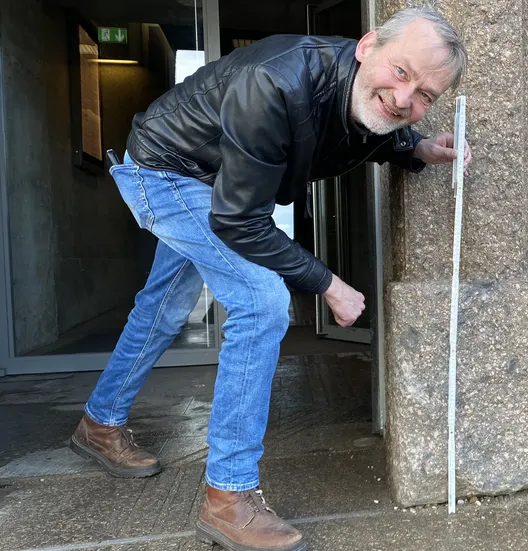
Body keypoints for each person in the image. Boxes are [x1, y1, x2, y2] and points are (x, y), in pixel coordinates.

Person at [67, 8, 469, 551]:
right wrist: (328, 282)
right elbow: (238, 220)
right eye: (401, 73)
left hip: (214, 182)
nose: (405, 100)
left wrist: (416, 146)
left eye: (425, 95)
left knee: (162, 308)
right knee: (261, 300)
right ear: (366, 45)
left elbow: (368, 124)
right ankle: (228, 497)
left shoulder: (359, 91)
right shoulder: (276, 80)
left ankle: (98, 423)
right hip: (165, 171)